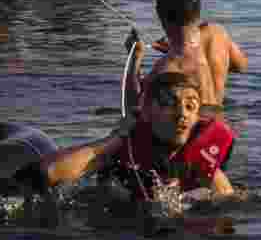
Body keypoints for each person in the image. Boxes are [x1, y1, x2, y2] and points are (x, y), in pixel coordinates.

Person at [35, 68, 236, 201]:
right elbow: (48, 173)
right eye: (168, 103)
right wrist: (115, 138)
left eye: (190, 106)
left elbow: (227, 205)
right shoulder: (127, 148)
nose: (182, 114)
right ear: (146, 112)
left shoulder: (202, 160)